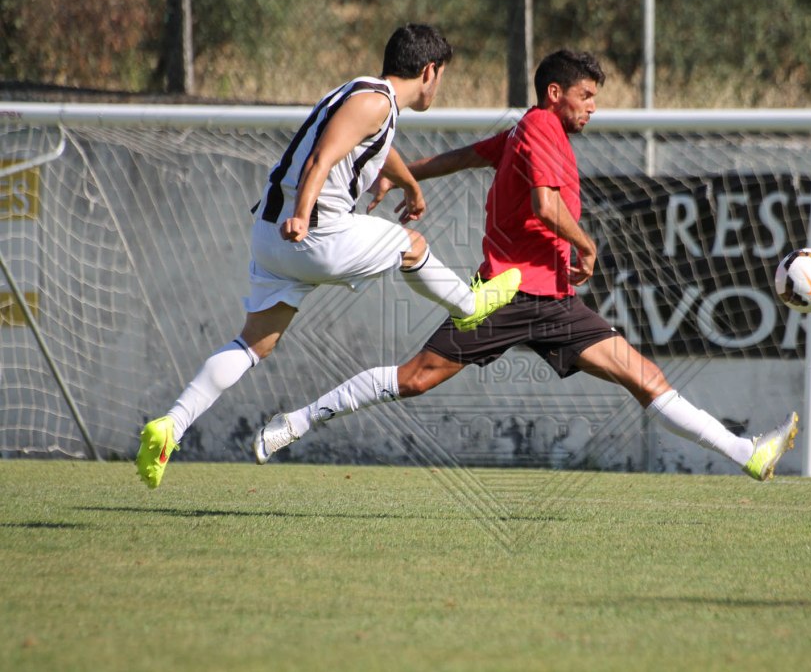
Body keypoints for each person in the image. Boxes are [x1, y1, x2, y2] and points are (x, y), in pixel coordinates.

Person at [252, 49, 798, 481]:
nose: (592, 107)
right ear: (554, 93)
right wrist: (586, 245)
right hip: (506, 294)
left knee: (644, 376)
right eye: (585, 96)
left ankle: (746, 453)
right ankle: (297, 421)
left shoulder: (529, 130)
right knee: (415, 378)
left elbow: (467, 155)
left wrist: (402, 174)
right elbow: (544, 204)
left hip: (554, 301)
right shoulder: (538, 127)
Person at [135, 24, 522, 489]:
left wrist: (410, 184)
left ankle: (170, 427)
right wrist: (302, 215)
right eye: (442, 77)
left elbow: (376, 146)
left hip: (271, 238)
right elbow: (322, 158)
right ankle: (469, 307)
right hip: (311, 232)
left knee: (254, 345)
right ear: (429, 71)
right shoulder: (375, 101)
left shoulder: (364, 96)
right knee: (410, 245)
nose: (439, 86)